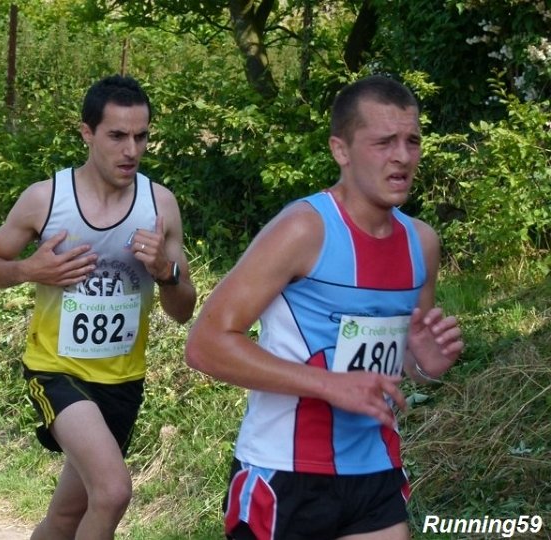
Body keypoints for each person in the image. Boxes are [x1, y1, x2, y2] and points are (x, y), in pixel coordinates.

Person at [185, 75, 464, 540]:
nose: (402, 156)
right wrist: (329, 385)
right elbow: (206, 345)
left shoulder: (422, 242)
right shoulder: (303, 229)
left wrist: (424, 366)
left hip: (375, 467)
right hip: (286, 471)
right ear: (341, 150)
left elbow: (401, 364)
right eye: (384, 142)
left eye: (412, 141)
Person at [0, 74, 197, 539]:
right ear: (87, 133)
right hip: (56, 371)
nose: (131, 150)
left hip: (123, 380)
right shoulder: (46, 199)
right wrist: (30, 270)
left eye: (141, 136)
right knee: (112, 492)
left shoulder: (159, 205)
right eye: (117, 136)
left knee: (65, 517)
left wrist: (165, 271)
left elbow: (182, 309)